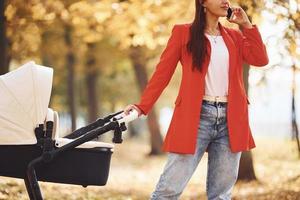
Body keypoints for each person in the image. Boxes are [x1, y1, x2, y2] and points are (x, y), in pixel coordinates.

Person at [123, 0, 269, 199]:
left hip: (231, 120)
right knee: (168, 190)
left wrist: (247, 25)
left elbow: (261, 59)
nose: (225, 0)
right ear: (203, 3)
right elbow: (162, 74)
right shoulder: (183, 33)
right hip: (196, 117)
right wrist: (142, 107)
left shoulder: (234, 36)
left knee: (221, 195)